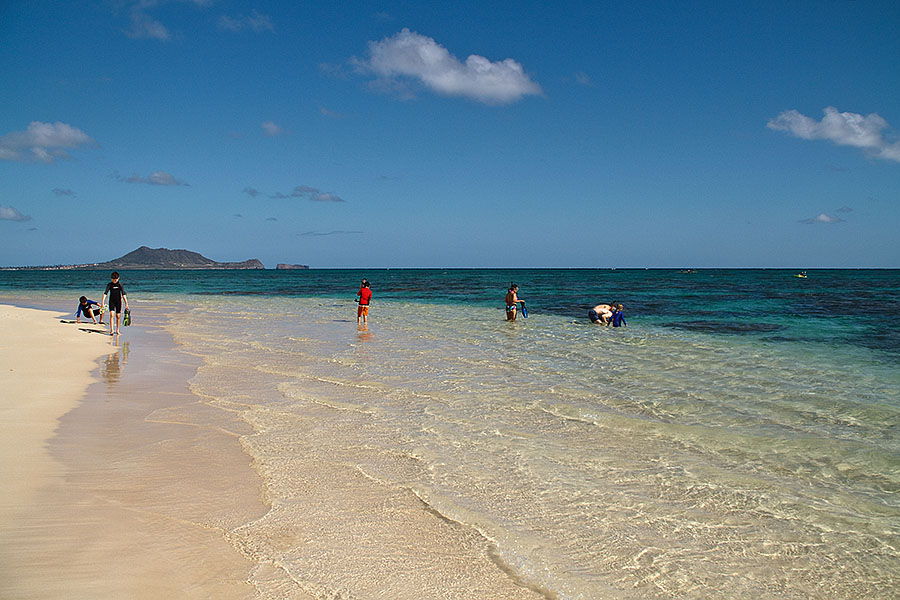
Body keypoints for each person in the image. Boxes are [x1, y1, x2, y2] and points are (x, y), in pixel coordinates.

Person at [101, 271, 129, 336]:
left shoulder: (120, 285)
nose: (114, 280)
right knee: (112, 315)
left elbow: (123, 294)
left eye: (115, 279)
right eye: (113, 279)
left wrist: (126, 304)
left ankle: (117, 330)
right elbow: (105, 293)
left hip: (118, 302)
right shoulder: (109, 285)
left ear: (118, 278)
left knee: (118, 316)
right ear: (111, 279)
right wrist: (102, 302)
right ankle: (112, 330)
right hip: (111, 301)